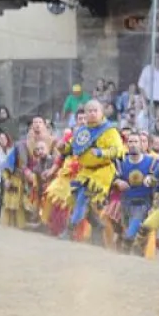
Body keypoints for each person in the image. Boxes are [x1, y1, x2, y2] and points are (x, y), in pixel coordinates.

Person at [60, 99, 126, 246]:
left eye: (95, 110)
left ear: (101, 112)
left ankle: (70, 230)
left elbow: (119, 150)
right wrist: (62, 147)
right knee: (78, 197)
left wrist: (102, 152)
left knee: (84, 196)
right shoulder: (82, 131)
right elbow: (72, 147)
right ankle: (97, 226)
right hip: (85, 171)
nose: (92, 113)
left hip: (102, 172)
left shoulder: (109, 130)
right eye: (89, 111)